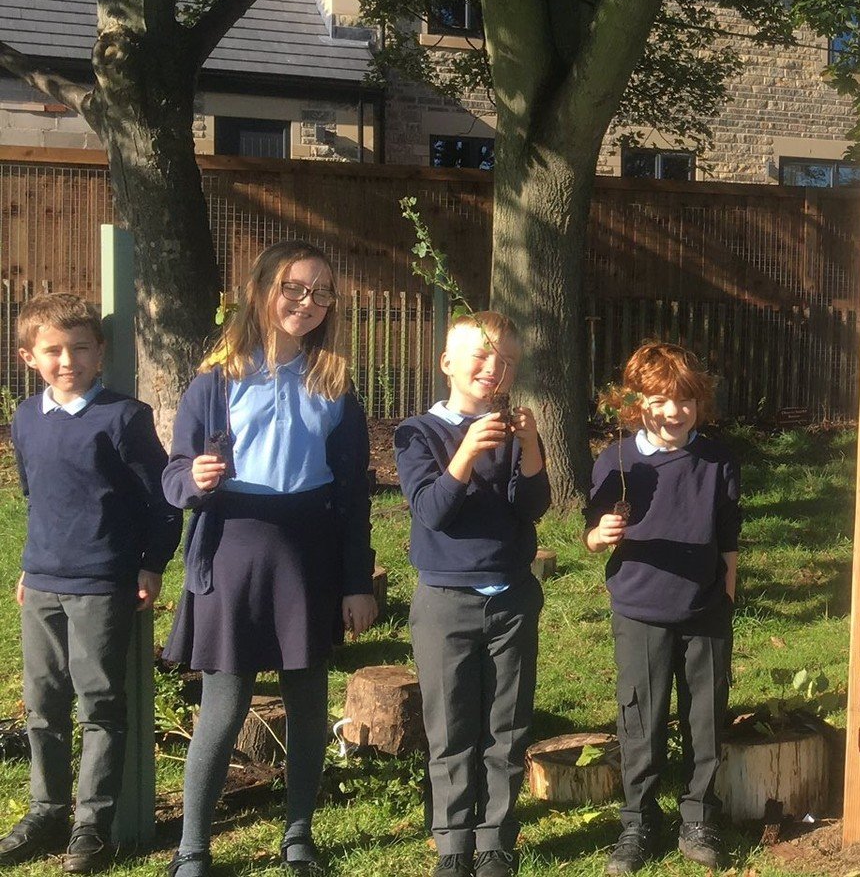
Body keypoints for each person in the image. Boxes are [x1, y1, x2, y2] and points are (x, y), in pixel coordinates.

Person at [162, 241, 376, 877]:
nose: (307, 303)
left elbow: (352, 494)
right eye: (294, 288)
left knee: (309, 703)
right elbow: (173, 475)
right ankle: (192, 849)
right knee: (224, 708)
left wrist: (356, 579)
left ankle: (298, 834)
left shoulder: (334, 384)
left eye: (321, 292)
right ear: (260, 291)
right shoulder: (215, 382)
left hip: (308, 552)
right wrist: (192, 479)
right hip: (233, 547)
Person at [2, 294, 179, 872]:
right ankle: (45, 811)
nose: (67, 360)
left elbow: (162, 500)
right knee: (42, 704)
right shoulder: (26, 419)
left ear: (100, 353)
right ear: (30, 357)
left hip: (104, 583)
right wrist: (31, 566)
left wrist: (151, 562)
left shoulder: (124, 418)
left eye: (80, 348)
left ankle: (90, 825)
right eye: (53, 350)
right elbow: (38, 499)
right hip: (44, 582)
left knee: (98, 702)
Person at [395, 312, 550, 877]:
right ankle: (452, 842)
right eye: (482, 357)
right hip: (445, 599)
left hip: (511, 596)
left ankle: (495, 840)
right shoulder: (418, 432)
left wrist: (529, 447)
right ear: (447, 364)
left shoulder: (511, 430)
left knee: (506, 726)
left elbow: (532, 507)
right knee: (451, 726)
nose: (494, 368)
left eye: (506, 360)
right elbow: (431, 511)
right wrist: (463, 454)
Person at [586, 342, 739, 874]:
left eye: (685, 400)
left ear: (700, 403)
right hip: (640, 610)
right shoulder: (618, 461)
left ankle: (698, 816)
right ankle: (638, 821)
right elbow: (592, 528)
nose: (674, 411)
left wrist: (728, 587)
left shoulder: (716, 460)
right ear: (636, 404)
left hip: (705, 612)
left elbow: (728, 532)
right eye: (659, 400)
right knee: (641, 721)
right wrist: (599, 536)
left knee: (705, 718)